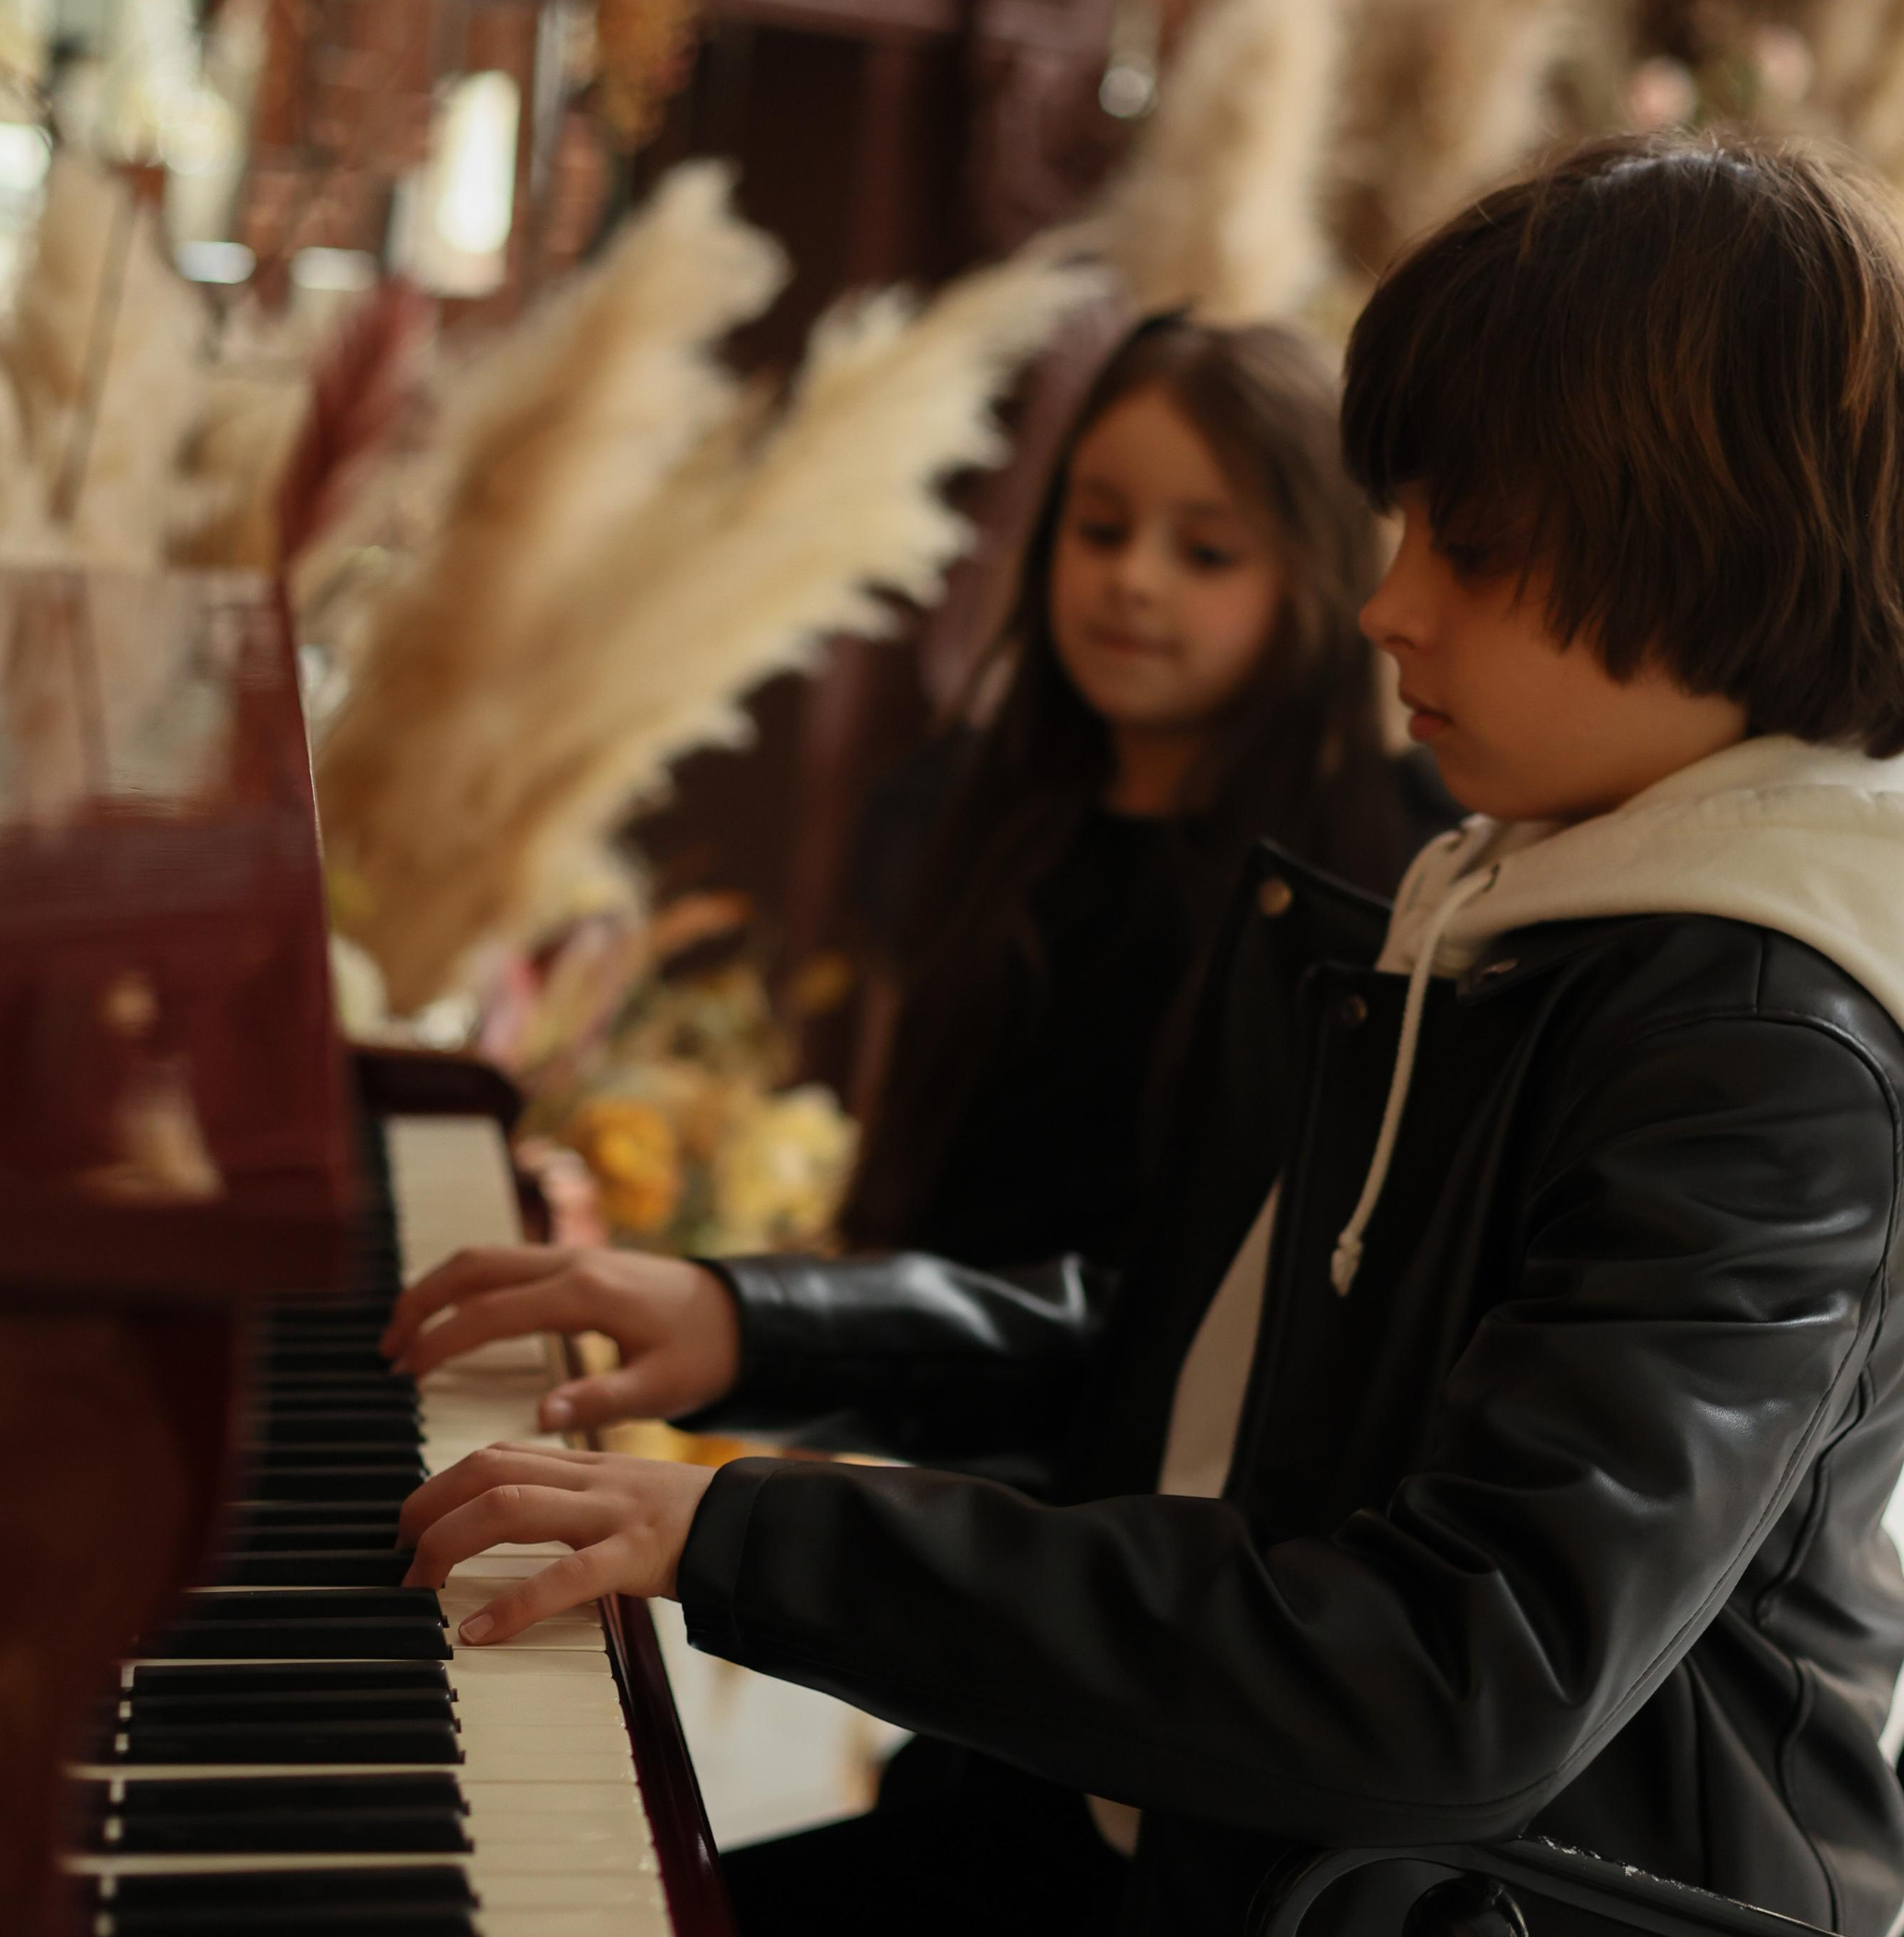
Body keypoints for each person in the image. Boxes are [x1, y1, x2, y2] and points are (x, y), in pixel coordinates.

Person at [383, 131, 1904, 1937]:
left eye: (1471, 545)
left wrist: (746, 1538)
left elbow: (1457, 1668)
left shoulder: (1756, 1046)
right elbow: (1208, 1359)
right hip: (1202, 1832)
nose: (1385, 601)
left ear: (1714, 551)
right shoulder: (1530, 892)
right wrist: (749, 1318)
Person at [839, 315, 1452, 1275]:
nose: (1131, 579)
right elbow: (894, 1141)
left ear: (1315, 580)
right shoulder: (955, 805)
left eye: (1205, 553)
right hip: (919, 1383)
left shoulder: (1387, 864)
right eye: (1100, 530)